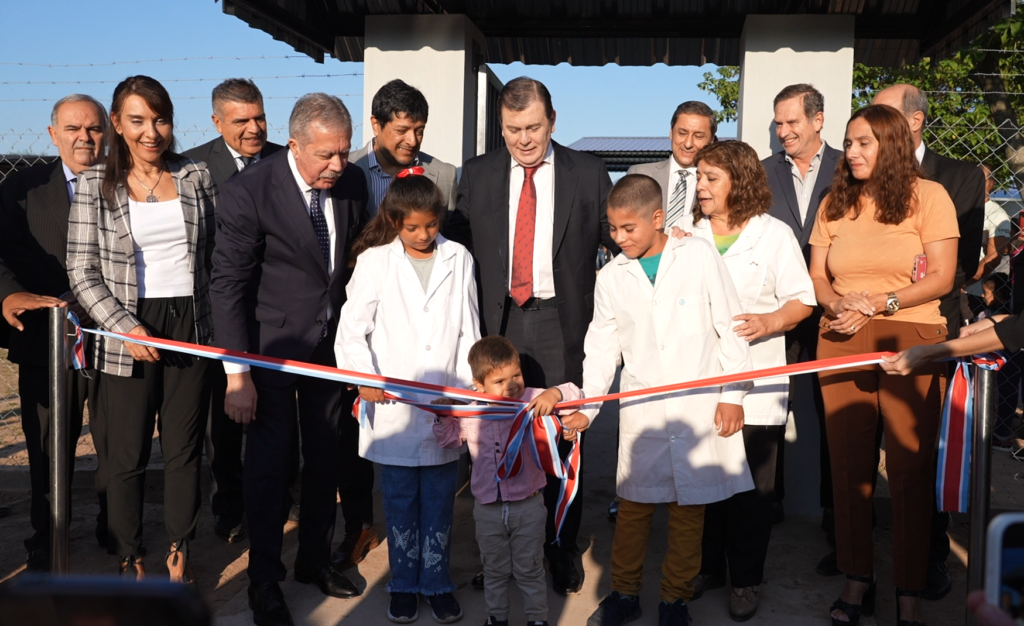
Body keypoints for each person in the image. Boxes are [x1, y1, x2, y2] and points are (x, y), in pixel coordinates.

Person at [444, 76, 618, 595]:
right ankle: (501, 552)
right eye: (512, 129)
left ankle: (559, 552)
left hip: (563, 321)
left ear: (553, 121)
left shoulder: (587, 174)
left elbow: (621, 235)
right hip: (500, 325)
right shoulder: (477, 174)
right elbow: (456, 241)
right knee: (499, 443)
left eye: (533, 127)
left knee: (562, 439)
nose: (523, 139)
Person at [562, 174, 753, 626]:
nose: (619, 238)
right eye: (612, 229)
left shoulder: (698, 255)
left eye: (629, 228)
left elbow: (731, 326)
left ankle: (674, 599)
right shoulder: (611, 277)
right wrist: (588, 407)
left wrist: (732, 394)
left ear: (656, 218)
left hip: (698, 404)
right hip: (642, 411)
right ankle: (625, 593)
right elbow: (602, 348)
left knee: (689, 512)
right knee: (633, 510)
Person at [211, 93, 366, 626]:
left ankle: (315, 562)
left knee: (326, 459)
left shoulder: (351, 184)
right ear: (294, 143)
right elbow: (227, 287)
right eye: (326, 154)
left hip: (329, 352)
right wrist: (238, 373)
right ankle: (264, 581)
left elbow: (349, 269)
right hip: (270, 352)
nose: (338, 165)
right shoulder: (248, 192)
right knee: (270, 469)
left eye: (344, 152)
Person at [808, 104, 959, 626]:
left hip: (911, 337)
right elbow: (819, 279)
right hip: (840, 337)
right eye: (849, 143)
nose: (851, 152)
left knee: (910, 471)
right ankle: (857, 580)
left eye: (864, 142)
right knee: (848, 469)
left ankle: (910, 591)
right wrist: (837, 308)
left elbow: (941, 277)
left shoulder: (930, 197)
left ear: (892, 144)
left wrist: (878, 304)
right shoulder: (832, 204)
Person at [66, 76, 217, 583]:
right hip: (126, 327)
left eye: (160, 119)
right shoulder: (93, 184)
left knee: (183, 449)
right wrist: (126, 327)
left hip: (188, 326)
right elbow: (82, 271)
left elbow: (214, 256)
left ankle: (180, 547)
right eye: (137, 121)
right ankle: (130, 554)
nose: (151, 132)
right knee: (126, 454)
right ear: (117, 124)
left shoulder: (195, 175)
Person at [680, 141, 815, 621]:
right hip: (700, 379)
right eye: (699, 178)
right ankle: (708, 568)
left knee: (753, 491)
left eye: (711, 178)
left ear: (739, 181)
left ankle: (747, 580)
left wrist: (768, 322)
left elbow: (803, 301)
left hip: (758, 380)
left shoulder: (773, 235)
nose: (701, 187)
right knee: (705, 481)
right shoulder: (688, 234)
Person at [338, 172, 479, 624]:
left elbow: (468, 331)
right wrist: (363, 377)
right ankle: (402, 583)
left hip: (443, 405)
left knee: (440, 499)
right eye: (412, 227)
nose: (423, 235)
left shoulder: (459, 258)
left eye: (432, 225)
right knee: (398, 499)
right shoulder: (374, 262)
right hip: (392, 407)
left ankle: (436, 582)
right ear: (394, 221)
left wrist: (463, 395)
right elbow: (351, 330)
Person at [872, 83, 986, 601]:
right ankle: (860, 555)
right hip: (870, 322)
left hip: (933, 325)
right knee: (865, 440)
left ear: (915, 121)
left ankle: (931, 555)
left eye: (884, 114)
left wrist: (900, 287)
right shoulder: (864, 170)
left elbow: (954, 265)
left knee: (923, 449)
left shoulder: (960, 177)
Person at [0, 93, 107, 571]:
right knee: (45, 444)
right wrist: (7, 295)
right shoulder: (20, 187)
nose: (84, 138)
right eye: (73, 129)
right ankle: (47, 535)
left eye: (94, 128)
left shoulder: (127, 184)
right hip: (43, 337)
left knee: (114, 440)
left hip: (112, 337)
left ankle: (116, 529)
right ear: (52, 134)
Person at [182, 78, 286, 546]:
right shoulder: (194, 167)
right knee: (225, 418)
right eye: (241, 120)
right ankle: (229, 507)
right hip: (222, 308)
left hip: (279, 311)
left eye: (259, 117)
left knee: (279, 413)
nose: (254, 128)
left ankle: (279, 500)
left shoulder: (287, 160)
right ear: (216, 121)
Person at [433, 336, 580, 626]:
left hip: (529, 505)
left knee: (530, 569)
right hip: (487, 508)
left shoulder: (531, 399)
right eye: (499, 381)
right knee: (495, 570)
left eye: (516, 375)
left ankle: (538, 619)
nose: (511, 385)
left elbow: (575, 391)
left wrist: (553, 394)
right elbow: (450, 441)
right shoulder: (470, 409)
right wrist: (442, 416)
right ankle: (496, 618)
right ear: (479, 385)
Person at [761, 83, 844, 570]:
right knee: (771, 408)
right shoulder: (765, 173)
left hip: (835, 315)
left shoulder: (849, 166)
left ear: (817, 120)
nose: (784, 131)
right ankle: (766, 504)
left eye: (792, 122)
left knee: (836, 416)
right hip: (782, 314)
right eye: (778, 123)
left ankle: (839, 517)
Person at [350, 79, 458, 216]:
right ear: (376, 125)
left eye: (419, 131)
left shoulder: (444, 176)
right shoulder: (344, 169)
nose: (412, 141)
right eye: (401, 131)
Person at [626, 101, 717, 231]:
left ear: (711, 141)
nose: (688, 143)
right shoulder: (640, 174)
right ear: (671, 133)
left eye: (698, 136)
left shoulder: (718, 184)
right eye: (682, 133)